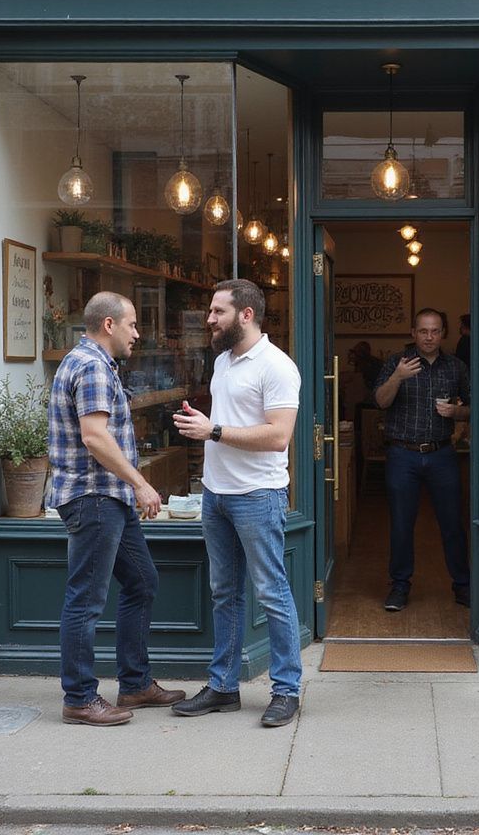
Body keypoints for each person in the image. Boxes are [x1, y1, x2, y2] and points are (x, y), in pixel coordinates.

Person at [47, 291, 186, 727]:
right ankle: (80, 698)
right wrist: (141, 484)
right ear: (109, 325)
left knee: (142, 580)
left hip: (108, 497)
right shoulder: (91, 366)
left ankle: (135, 683)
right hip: (95, 498)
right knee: (85, 600)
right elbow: (95, 436)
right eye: (132, 325)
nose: (137, 334)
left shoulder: (91, 363)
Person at [171, 278, 303, 728]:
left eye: (217, 312)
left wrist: (215, 431)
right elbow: (227, 422)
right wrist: (204, 425)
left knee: (272, 593)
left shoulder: (277, 366)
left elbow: (278, 435)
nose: (209, 319)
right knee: (224, 592)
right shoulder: (224, 361)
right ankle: (224, 686)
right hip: (216, 494)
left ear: (245, 315)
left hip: (258, 496)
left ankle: (286, 690)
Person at [373, 307, 471, 612]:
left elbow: (473, 407)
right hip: (403, 454)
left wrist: (457, 412)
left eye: (435, 331)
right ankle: (400, 586)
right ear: (413, 333)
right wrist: (398, 377)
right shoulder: (396, 363)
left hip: (442, 453)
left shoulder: (455, 367)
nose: (429, 337)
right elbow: (380, 401)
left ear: (443, 334)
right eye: (423, 331)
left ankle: (462, 585)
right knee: (402, 524)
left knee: (452, 523)